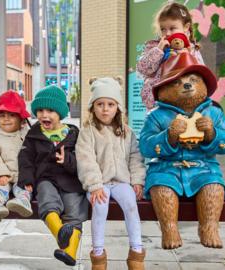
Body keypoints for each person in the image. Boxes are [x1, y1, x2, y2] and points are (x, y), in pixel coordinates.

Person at [76, 77, 146, 270]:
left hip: (121, 182)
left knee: (131, 204)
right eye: (100, 104)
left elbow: (135, 157)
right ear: (92, 107)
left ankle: (136, 253)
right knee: (100, 204)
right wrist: (95, 184)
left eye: (110, 104)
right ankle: (98, 254)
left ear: (118, 107)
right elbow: (85, 159)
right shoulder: (88, 131)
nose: (105, 109)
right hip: (98, 184)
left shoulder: (127, 131)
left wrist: (137, 181)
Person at [18, 85, 88, 266]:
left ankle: (70, 252)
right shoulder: (33, 135)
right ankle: (59, 232)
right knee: (47, 199)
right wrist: (27, 180)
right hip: (46, 178)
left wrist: (67, 160)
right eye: (40, 110)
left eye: (50, 110)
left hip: (70, 180)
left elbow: (83, 162)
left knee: (74, 209)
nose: (44, 115)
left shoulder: (73, 134)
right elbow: (25, 159)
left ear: (60, 113)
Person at [137, 2, 204, 110]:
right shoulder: (154, 47)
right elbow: (143, 69)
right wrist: (158, 51)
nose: (167, 33)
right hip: (158, 104)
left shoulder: (192, 49)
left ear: (186, 27)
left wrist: (187, 57)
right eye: (163, 29)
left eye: (172, 28)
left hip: (185, 103)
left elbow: (201, 74)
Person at [0, 91, 33, 223]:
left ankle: (23, 202)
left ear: (21, 119)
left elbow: (33, 157)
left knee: (23, 189)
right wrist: (0, 174)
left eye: (11, 115)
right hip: (3, 178)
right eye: (3, 115)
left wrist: (30, 178)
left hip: (21, 177)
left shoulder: (27, 136)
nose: (6, 119)